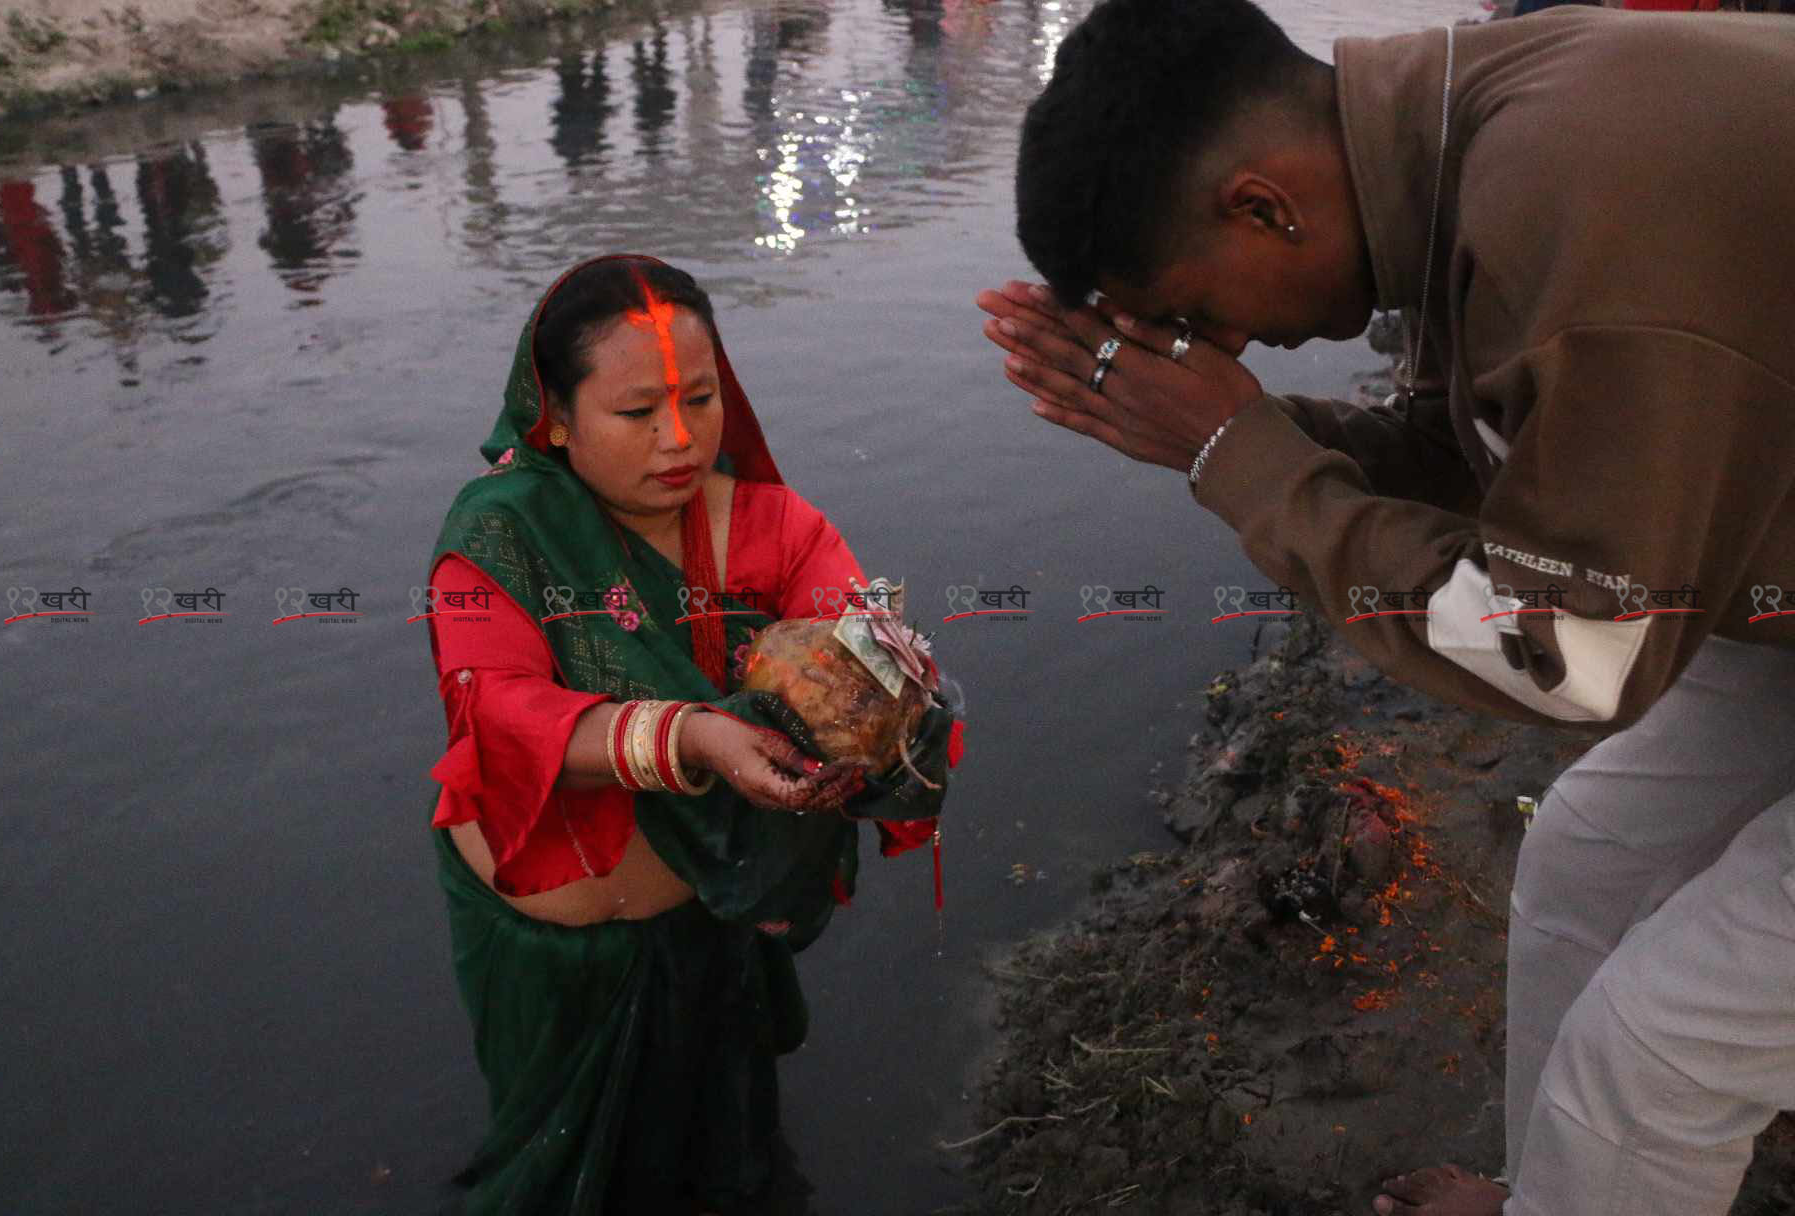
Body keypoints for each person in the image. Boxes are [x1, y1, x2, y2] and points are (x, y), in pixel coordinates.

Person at [977, 3, 1795, 1214]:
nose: (1231, 342)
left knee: (1659, 1051)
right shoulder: (1462, 133)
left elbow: (1567, 654)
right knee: (1582, 860)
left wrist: (1233, 454)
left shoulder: (1576, 202)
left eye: (1196, 315)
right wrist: (1250, 441)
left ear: (1262, 206)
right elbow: (1491, 444)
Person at [423, 253, 954, 1215]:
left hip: (705, 924)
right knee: (548, 1181)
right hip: (549, 956)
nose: (679, 438)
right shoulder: (498, 537)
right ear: (555, 415)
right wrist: (694, 737)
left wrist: (894, 686)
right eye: (636, 414)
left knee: (727, 1166)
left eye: (701, 399)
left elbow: (855, 646)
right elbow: (493, 707)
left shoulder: (773, 530)